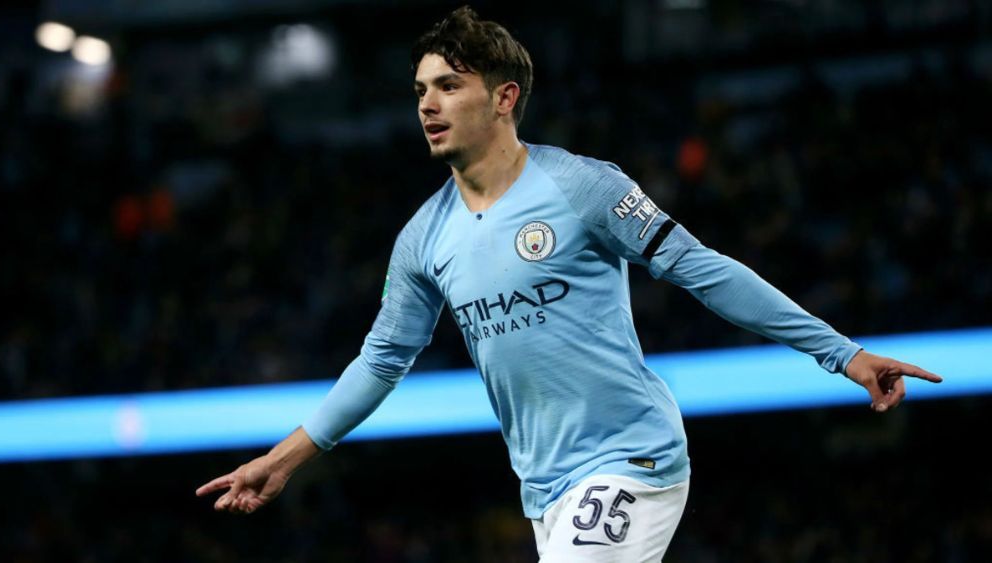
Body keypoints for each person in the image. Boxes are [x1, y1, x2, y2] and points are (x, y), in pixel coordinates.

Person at [197, 6, 943, 561]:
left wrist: (841, 352)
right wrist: (285, 457)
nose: (426, 103)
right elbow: (381, 360)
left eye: (448, 85)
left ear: (504, 97)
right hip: (546, 490)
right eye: (420, 88)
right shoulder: (423, 237)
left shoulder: (583, 187)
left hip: (632, 458)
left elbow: (703, 269)